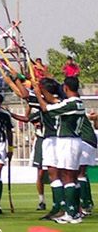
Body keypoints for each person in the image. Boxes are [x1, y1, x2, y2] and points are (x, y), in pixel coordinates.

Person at [34, 76, 85, 224]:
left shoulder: (70, 104)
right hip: (74, 141)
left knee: (67, 177)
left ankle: (71, 214)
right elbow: (53, 101)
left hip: (68, 141)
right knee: (72, 178)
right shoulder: (78, 102)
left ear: (66, 88)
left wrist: (38, 94)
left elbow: (46, 108)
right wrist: (42, 90)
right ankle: (75, 211)